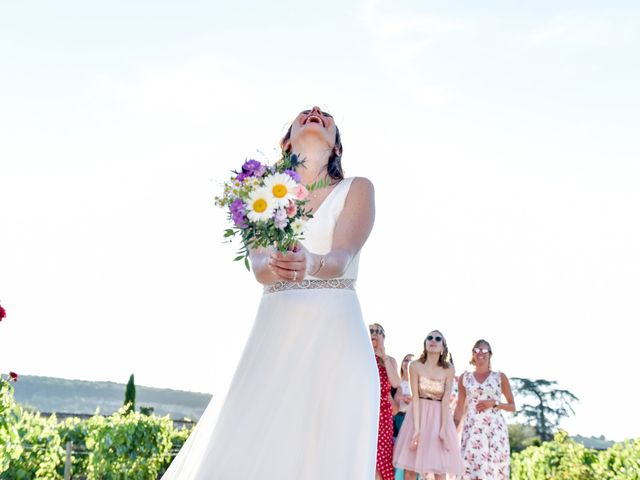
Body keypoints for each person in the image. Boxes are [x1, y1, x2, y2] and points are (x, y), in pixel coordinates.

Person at [161, 106, 379, 479]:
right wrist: (278, 268)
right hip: (277, 335)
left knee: (328, 453)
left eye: (325, 114)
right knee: (251, 447)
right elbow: (260, 269)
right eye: (305, 113)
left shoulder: (357, 189)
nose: (314, 112)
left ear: (337, 147)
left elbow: (342, 257)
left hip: (338, 340)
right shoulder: (258, 194)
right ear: (286, 141)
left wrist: (311, 263)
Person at [393, 330, 463, 480]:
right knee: (410, 467)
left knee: (439, 469)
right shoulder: (415, 365)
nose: (433, 340)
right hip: (417, 413)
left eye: (438, 339)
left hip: (439, 416)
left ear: (443, 347)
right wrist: (417, 429)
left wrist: (443, 428)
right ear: (425, 344)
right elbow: (416, 397)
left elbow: (445, 401)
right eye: (429, 337)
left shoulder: (448, 369)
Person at [453, 339, 516, 480]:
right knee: (469, 470)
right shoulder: (465, 378)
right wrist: (451, 431)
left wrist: (494, 404)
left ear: (490, 354)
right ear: (473, 354)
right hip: (472, 429)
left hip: (494, 431)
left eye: (484, 350)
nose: (480, 353)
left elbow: (512, 406)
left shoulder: (499, 377)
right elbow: (459, 407)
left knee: (493, 471)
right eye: (476, 350)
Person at [370, 323, 401, 480]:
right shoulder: (361, 356)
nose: (374, 334)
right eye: (371, 331)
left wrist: (384, 356)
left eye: (378, 331)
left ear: (384, 337)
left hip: (383, 414)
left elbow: (396, 383)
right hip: (366, 412)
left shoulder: (390, 360)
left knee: (381, 461)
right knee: (367, 459)